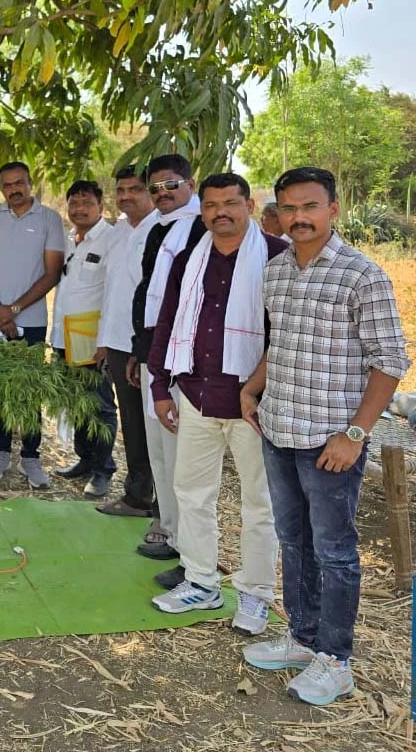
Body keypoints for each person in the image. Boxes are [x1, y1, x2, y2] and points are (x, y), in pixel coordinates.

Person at [241, 166, 410, 705]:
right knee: (294, 542)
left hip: (330, 440)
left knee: (334, 551)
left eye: (309, 206)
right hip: (280, 427)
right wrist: (253, 389)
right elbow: (282, 341)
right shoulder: (277, 271)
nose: (298, 217)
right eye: (288, 208)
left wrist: (356, 434)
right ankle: (302, 637)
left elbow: (390, 363)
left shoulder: (363, 275)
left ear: (333, 209)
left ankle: (336, 660)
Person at [146, 173, 286, 633]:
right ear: (202, 210)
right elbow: (167, 321)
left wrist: (262, 390)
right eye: (211, 205)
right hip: (195, 392)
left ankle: (256, 595)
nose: (220, 212)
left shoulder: (276, 257)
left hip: (254, 403)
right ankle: (202, 580)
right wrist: (161, 385)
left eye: (230, 202)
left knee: (259, 502)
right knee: (192, 492)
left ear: (249, 204)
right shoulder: (190, 257)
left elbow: (285, 333)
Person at [128, 154, 205, 583]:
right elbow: (149, 296)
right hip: (153, 352)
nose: (162, 193)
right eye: (155, 187)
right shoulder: (159, 228)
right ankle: (170, 530)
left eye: (170, 185)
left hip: (180, 359)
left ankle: (193, 555)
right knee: (158, 447)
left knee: (179, 453)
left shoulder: (198, 227)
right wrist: (142, 352)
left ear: (190, 184)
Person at [0, 161, 64, 488]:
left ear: (30, 182)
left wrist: (15, 309)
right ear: (1, 188)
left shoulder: (50, 220)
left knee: (27, 391)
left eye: (19, 183)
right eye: (7, 185)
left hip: (32, 322)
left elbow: (52, 273)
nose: (14, 189)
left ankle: (31, 457)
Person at [94, 165, 158, 518]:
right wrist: (104, 339)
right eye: (121, 190)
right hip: (118, 343)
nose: (126, 196)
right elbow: (111, 290)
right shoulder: (118, 231)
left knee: (156, 425)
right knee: (132, 422)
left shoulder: (162, 230)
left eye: (135, 189)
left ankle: (164, 506)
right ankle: (137, 495)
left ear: (150, 192)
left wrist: (142, 347)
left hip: (148, 346)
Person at [49, 181, 119, 499]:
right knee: (76, 402)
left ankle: (104, 469)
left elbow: (114, 294)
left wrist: (105, 340)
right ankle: (85, 459)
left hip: (93, 338)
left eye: (86, 202)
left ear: (100, 206)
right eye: (73, 203)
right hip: (65, 336)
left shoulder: (112, 239)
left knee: (100, 404)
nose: (79, 208)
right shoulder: (69, 240)